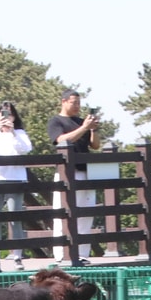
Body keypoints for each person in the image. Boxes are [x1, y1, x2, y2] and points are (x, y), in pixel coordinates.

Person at [46, 89, 101, 263]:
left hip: (86, 172)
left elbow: (95, 146)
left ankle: (83, 254)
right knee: (62, 215)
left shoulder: (80, 121)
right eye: (73, 102)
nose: (77, 106)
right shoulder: (56, 121)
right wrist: (84, 127)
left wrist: (93, 130)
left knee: (86, 215)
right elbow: (61, 140)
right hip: (66, 175)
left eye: (79, 103)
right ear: (63, 101)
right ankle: (61, 255)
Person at [0, 101, 33, 270]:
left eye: (9, 114)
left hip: (15, 179)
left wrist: (11, 133)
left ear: (14, 116)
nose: (6, 117)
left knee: (15, 218)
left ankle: (17, 256)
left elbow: (25, 149)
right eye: (2, 113)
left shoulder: (19, 133)